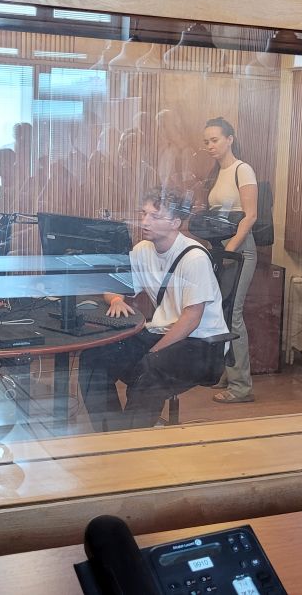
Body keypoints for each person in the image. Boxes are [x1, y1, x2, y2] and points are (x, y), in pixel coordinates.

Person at [78, 189, 229, 431]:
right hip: (162, 332)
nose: (145, 221)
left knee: (150, 369)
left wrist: (153, 352)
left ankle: (131, 440)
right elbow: (114, 287)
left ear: (175, 223)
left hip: (201, 344)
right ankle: (112, 433)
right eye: (143, 214)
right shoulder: (143, 250)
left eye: (155, 216)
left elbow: (192, 317)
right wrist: (116, 299)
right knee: (94, 357)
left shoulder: (194, 258)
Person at [201, 117, 258, 404]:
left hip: (239, 250)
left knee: (233, 314)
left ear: (230, 139)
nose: (210, 146)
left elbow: (251, 216)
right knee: (221, 312)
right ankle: (228, 372)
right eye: (207, 142)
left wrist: (230, 250)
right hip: (222, 251)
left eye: (215, 140)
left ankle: (241, 387)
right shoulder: (217, 173)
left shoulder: (242, 169)